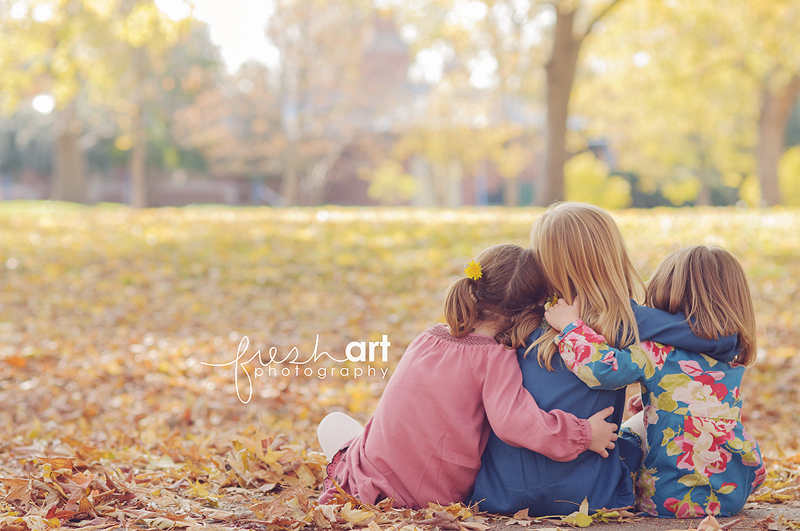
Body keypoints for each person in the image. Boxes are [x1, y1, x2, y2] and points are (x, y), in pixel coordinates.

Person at [467, 203, 739, 515]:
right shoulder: (625, 320)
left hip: (500, 491)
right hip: (588, 495)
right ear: (612, 255)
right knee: (643, 427)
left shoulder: (526, 318)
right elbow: (721, 340)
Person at [316, 243, 620, 509]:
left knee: (332, 424)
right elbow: (514, 421)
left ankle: (360, 474)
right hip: (435, 494)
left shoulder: (427, 338)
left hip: (380, 468)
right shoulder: (494, 356)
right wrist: (583, 434)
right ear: (532, 309)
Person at [545, 245, 766, 518]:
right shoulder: (727, 355)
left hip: (667, 497)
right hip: (731, 492)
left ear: (668, 291)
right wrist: (657, 400)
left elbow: (601, 370)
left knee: (622, 436)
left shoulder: (656, 351)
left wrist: (571, 328)